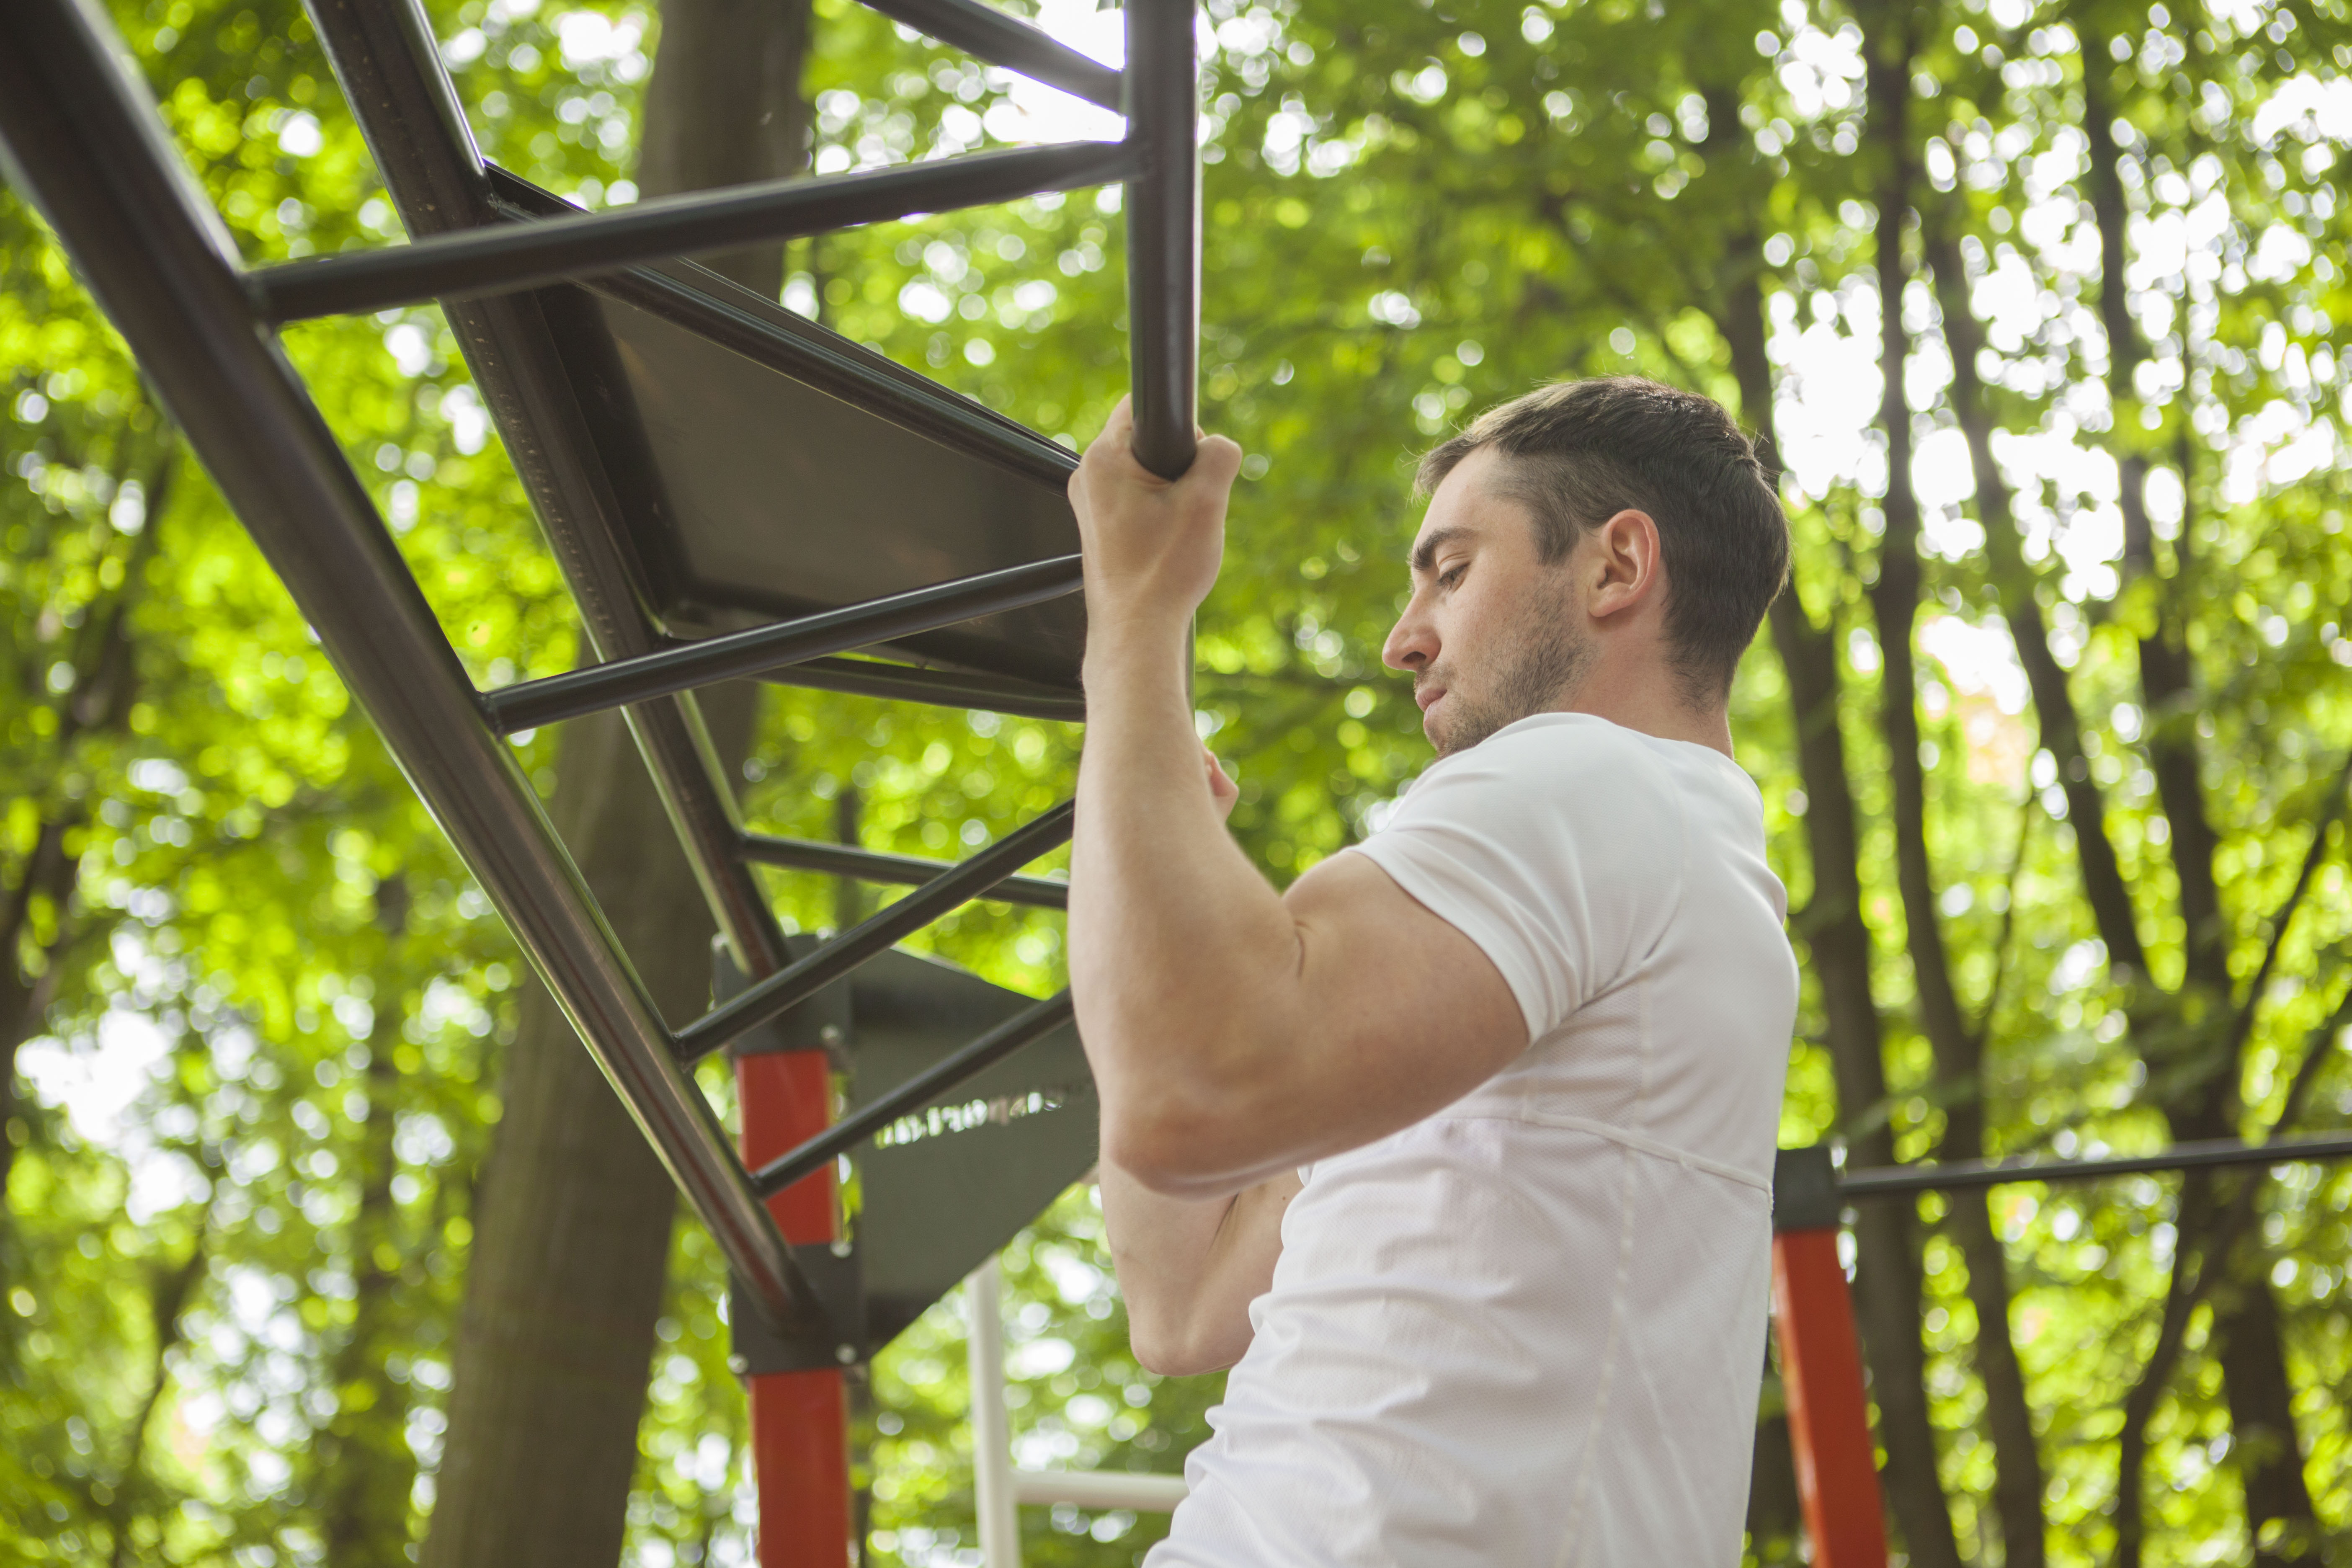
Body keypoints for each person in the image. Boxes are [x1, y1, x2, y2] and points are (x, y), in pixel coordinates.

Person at [1064, 376, 1799, 1565]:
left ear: (1616, 569)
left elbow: (1181, 1097)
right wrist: (1143, 835)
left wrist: (1135, 624)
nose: (1405, 637)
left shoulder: (1595, 781)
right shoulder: (1643, 888)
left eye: (1450, 572)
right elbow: (1180, 1301)